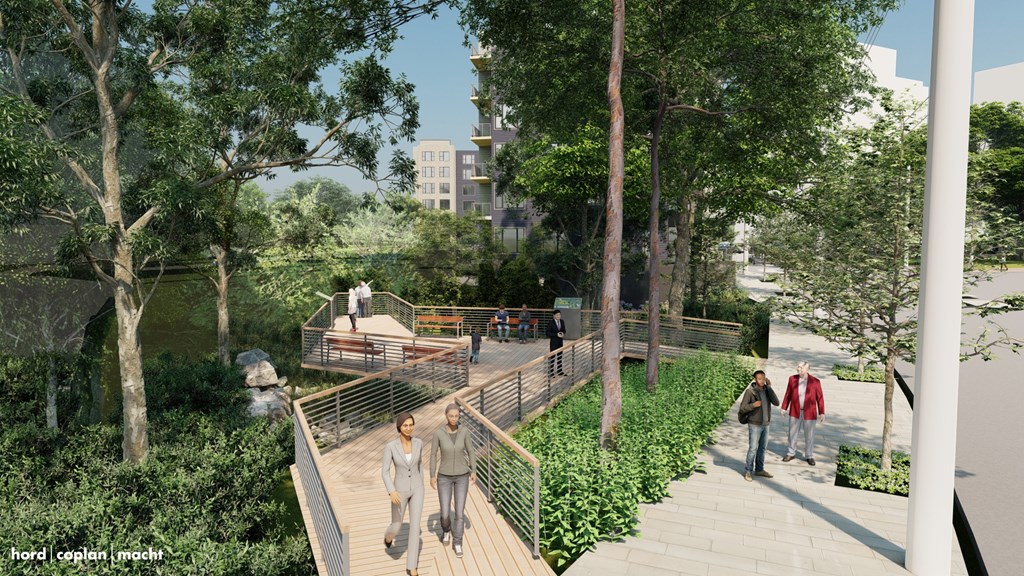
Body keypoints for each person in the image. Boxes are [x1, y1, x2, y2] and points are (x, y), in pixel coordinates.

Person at [429, 404, 477, 559]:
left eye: (456, 416)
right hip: (444, 477)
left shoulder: (464, 432)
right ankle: (446, 531)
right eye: (451, 416)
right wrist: (432, 475)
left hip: (462, 476)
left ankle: (458, 542)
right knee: (444, 514)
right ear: (446, 415)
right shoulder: (438, 433)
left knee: (459, 513)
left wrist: (474, 470)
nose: (454, 419)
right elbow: (432, 454)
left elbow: (470, 451)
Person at [382, 413, 424, 576]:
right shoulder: (391, 446)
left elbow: (419, 465)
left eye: (411, 425)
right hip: (399, 491)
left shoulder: (419, 443)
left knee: (415, 526)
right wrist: (391, 490)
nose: (409, 428)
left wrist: (421, 483)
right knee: (396, 525)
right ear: (399, 426)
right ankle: (388, 537)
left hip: (418, 488)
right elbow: (385, 472)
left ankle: (412, 566)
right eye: (405, 425)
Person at [737, 370, 779, 481]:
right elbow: (742, 408)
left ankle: (759, 470)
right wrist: (753, 405)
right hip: (754, 425)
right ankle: (748, 471)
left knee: (762, 448)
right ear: (755, 380)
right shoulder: (750, 392)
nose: (762, 381)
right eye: (759, 379)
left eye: (763, 378)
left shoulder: (767, 390)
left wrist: (769, 388)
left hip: (766, 424)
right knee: (753, 448)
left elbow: (776, 402)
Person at [781, 361, 826, 466]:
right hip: (795, 411)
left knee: (809, 435)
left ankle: (809, 455)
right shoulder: (792, 379)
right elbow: (788, 394)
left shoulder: (815, 382)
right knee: (792, 433)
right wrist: (784, 407)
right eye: (798, 367)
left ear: (807, 369)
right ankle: (791, 453)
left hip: (810, 413)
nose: (799, 369)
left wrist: (822, 412)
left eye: (801, 367)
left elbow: (820, 398)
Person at [547, 309, 566, 376]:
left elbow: (564, 330)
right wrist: (556, 335)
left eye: (559, 315)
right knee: (552, 357)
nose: (559, 316)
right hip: (553, 342)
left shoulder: (562, 321)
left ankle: (560, 371)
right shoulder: (551, 322)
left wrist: (563, 333)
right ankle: (551, 372)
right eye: (557, 315)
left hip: (560, 342)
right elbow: (548, 333)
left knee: (560, 357)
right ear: (554, 316)